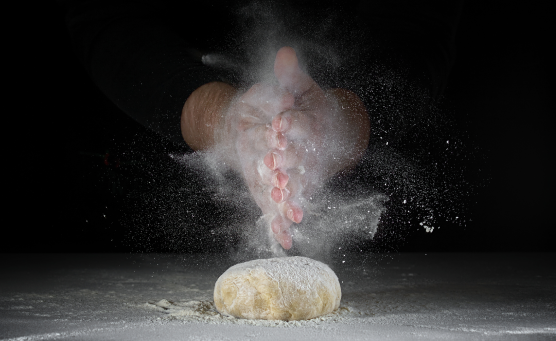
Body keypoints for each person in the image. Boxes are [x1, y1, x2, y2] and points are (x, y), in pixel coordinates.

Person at [60, 0, 463, 250]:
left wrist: (340, 127)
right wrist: (218, 121)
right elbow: (105, 17)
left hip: (395, 245)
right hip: (130, 220)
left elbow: (418, 25)